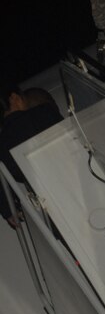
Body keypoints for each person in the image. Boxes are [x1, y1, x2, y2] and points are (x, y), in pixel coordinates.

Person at [1, 85, 63, 228]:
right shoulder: (44, 113)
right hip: (77, 185)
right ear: (14, 98)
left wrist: (8, 211)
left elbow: (5, 195)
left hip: (53, 214)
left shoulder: (2, 144)